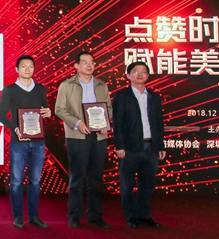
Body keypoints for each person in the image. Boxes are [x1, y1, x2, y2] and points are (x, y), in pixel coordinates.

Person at [55, 51, 112, 229]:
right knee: (77, 177)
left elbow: (109, 108)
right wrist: (77, 123)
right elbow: (59, 109)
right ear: (76, 66)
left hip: (99, 136)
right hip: (77, 136)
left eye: (92, 62)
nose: (89, 65)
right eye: (85, 62)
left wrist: (106, 122)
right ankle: (74, 215)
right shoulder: (67, 85)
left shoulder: (101, 85)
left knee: (96, 178)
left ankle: (95, 216)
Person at [0, 55, 51, 229]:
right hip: (18, 142)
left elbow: (44, 109)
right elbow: (1, 115)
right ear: (17, 69)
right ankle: (18, 216)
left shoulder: (40, 89)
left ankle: (34, 216)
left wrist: (48, 112)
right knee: (16, 181)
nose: (27, 69)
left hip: (38, 141)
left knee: (35, 181)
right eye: (23, 66)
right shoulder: (10, 90)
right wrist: (15, 128)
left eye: (30, 66)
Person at [112, 61, 166, 229]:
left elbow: (159, 123)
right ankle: (131, 215)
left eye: (143, 72)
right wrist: (119, 145)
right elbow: (117, 123)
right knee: (127, 185)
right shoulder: (122, 96)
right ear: (128, 75)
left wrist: (160, 145)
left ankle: (144, 215)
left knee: (148, 184)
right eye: (135, 71)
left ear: (148, 76)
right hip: (129, 147)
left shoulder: (154, 96)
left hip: (151, 147)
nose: (140, 74)